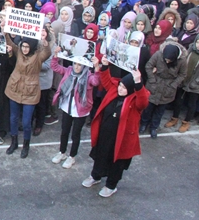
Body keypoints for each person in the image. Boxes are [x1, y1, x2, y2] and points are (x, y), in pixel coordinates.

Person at [83, 58, 148, 198]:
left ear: (131, 89)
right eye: (120, 85)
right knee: (100, 156)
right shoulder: (114, 90)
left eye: (124, 87)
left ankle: (111, 186)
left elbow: (143, 101)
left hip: (122, 139)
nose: (120, 89)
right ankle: (96, 176)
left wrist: (138, 82)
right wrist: (105, 66)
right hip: (105, 134)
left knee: (116, 163)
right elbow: (106, 80)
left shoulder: (135, 100)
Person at [5, 27, 54, 158]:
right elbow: (10, 43)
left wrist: (45, 44)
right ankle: (14, 141)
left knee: (26, 122)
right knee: (13, 118)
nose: (24, 49)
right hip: (14, 88)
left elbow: (48, 53)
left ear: (32, 46)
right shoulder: (19, 52)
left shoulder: (38, 57)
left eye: (27, 47)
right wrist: (5, 30)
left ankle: (26, 145)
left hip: (30, 92)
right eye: (23, 46)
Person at [50, 51, 101, 169]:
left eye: (79, 65)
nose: (76, 67)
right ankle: (62, 152)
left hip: (81, 110)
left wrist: (97, 67)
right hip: (67, 107)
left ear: (84, 66)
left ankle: (72, 156)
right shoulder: (68, 70)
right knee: (64, 131)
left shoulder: (88, 76)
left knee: (75, 134)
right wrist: (55, 56)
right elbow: (55, 67)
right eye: (75, 64)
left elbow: (96, 81)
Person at [140, 42, 187, 138]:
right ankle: (144, 124)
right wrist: (152, 80)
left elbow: (182, 75)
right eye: (166, 59)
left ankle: (154, 127)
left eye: (169, 60)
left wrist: (174, 84)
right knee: (148, 108)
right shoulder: (158, 55)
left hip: (168, 88)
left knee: (160, 111)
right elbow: (148, 66)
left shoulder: (182, 61)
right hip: (154, 85)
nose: (167, 61)